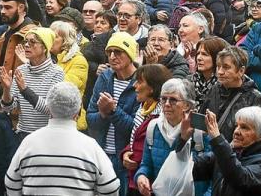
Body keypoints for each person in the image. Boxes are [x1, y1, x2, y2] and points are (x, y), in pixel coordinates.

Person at [5, 81, 120, 195]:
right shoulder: (91, 147)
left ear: (49, 109)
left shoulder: (29, 142)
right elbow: (110, 187)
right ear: (78, 111)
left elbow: (11, 182)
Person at [135, 78, 211, 196]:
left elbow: (215, 174)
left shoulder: (200, 132)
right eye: (163, 99)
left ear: (186, 105)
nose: (166, 104)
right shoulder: (153, 127)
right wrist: (141, 176)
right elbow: (146, 165)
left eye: (173, 100)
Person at [87, 32, 141, 194]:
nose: (112, 56)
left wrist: (113, 111)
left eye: (118, 52)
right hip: (101, 154)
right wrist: (103, 114)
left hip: (125, 158)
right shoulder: (104, 77)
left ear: (130, 54)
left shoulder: (141, 81)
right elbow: (90, 118)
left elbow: (136, 128)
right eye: (109, 52)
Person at [191, 106, 261, 196]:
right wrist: (183, 138)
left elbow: (239, 178)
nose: (236, 131)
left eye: (244, 127)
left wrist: (217, 138)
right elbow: (192, 168)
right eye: (237, 126)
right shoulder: (228, 154)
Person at [0, 27, 65, 141]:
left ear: (44, 48)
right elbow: (9, 108)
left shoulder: (57, 73)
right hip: (22, 134)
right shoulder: (21, 70)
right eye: (26, 41)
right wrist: (6, 90)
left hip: (46, 136)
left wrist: (25, 90)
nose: (26, 45)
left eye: (32, 42)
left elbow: (50, 108)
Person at [119, 64, 171, 194]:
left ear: (152, 88)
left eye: (140, 82)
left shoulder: (163, 116)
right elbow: (134, 137)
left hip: (149, 183)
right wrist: (126, 153)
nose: (135, 86)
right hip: (134, 178)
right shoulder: (143, 108)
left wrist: (136, 159)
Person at [200, 46, 261, 142]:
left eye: (226, 67)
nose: (220, 72)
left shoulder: (255, 98)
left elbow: (259, 135)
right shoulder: (214, 89)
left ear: (241, 71)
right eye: (218, 66)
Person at [50, 20, 89, 130]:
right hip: (49, 118)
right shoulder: (48, 57)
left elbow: (66, 88)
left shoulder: (78, 60)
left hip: (71, 121)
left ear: (65, 41)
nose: (51, 40)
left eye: (55, 37)